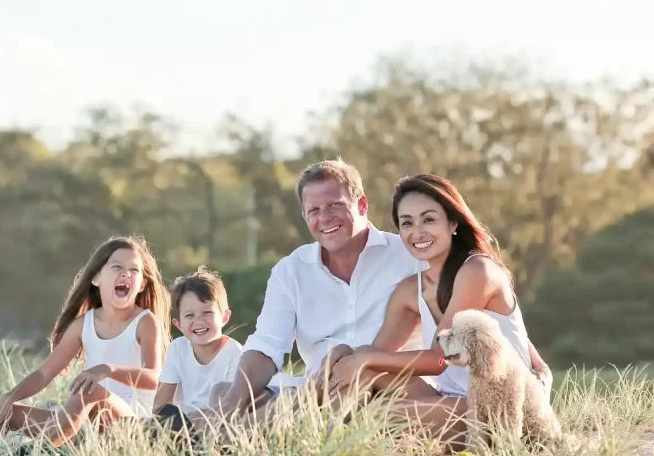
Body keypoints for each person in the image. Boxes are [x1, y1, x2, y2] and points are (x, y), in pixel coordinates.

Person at [326, 173, 552, 445]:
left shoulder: (477, 271)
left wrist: (362, 359)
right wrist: (352, 359)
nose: (418, 232)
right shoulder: (410, 291)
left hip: (494, 406)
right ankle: (317, 430)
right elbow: (379, 355)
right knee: (359, 372)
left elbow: (439, 359)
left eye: (429, 219)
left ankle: (335, 434)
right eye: (407, 223)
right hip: (448, 397)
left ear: (453, 223)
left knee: (376, 415)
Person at [205, 158, 433, 425]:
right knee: (227, 392)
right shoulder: (290, 271)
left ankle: (229, 431)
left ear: (362, 205)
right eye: (314, 210)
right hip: (316, 389)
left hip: (388, 386)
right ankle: (228, 424)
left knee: (261, 403)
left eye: (335, 205)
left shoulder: (410, 257)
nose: (325, 218)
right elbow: (267, 345)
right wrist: (233, 401)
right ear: (305, 216)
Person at [0, 235, 171, 453]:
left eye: (134, 270)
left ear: (141, 285)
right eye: (117, 266)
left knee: (89, 391)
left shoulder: (145, 322)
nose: (126, 273)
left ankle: (38, 450)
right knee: (6, 411)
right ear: (96, 277)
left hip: (132, 423)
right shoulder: (83, 324)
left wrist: (107, 370)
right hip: (85, 427)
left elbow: (153, 377)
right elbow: (43, 374)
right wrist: (10, 397)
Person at [153, 266, 244, 416]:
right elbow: (161, 402)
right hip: (186, 425)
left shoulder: (233, 352)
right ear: (178, 324)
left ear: (224, 317)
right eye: (190, 315)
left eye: (207, 312)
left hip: (219, 422)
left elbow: (233, 408)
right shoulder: (178, 348)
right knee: (164, 414)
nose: (199, 321)